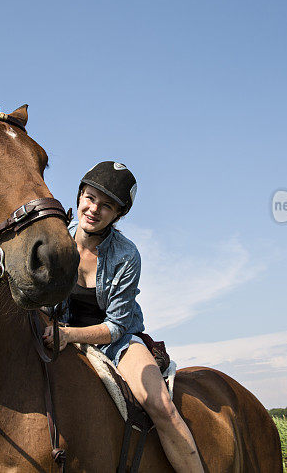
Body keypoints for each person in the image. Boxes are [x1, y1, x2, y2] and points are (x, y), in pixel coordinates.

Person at [43, 161, 204, 473]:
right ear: (79, 196)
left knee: (161, 406)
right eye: (89, 198)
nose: (93, 209)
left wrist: (70, 335)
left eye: (107, 206)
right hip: (57, 333)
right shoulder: (55, 239)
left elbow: (116, 325)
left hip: (115, 342)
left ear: (118, 215)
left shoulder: (126, 255)